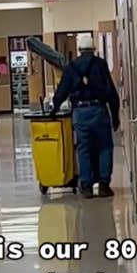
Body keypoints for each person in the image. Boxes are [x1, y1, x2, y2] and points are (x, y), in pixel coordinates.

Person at [50, 32, 120, 198]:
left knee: (84, 148)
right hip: (99, 111)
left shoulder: (72, 67)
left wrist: (54, 108)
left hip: (80, 113)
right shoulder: (101, 65)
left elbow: (62, 91)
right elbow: (110, 91)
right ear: (94, 49)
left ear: (80, 50)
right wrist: (115, 116)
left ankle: (87, 186)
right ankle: (103, 185)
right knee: (105, 147)